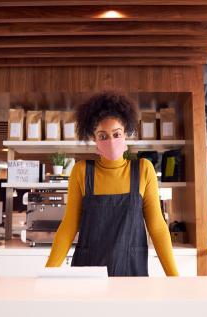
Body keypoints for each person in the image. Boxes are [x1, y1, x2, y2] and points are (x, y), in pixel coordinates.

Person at [45, 92, 178, 276]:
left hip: (131, 272)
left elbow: (157, 227)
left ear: (126, 134)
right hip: (89, 273)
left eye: (116, 134)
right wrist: (47, 273)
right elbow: (68, 227)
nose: (111, 141)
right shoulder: (81, 171)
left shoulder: (143, 170)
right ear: (94, 139)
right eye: (103, 136)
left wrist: (174, 277)